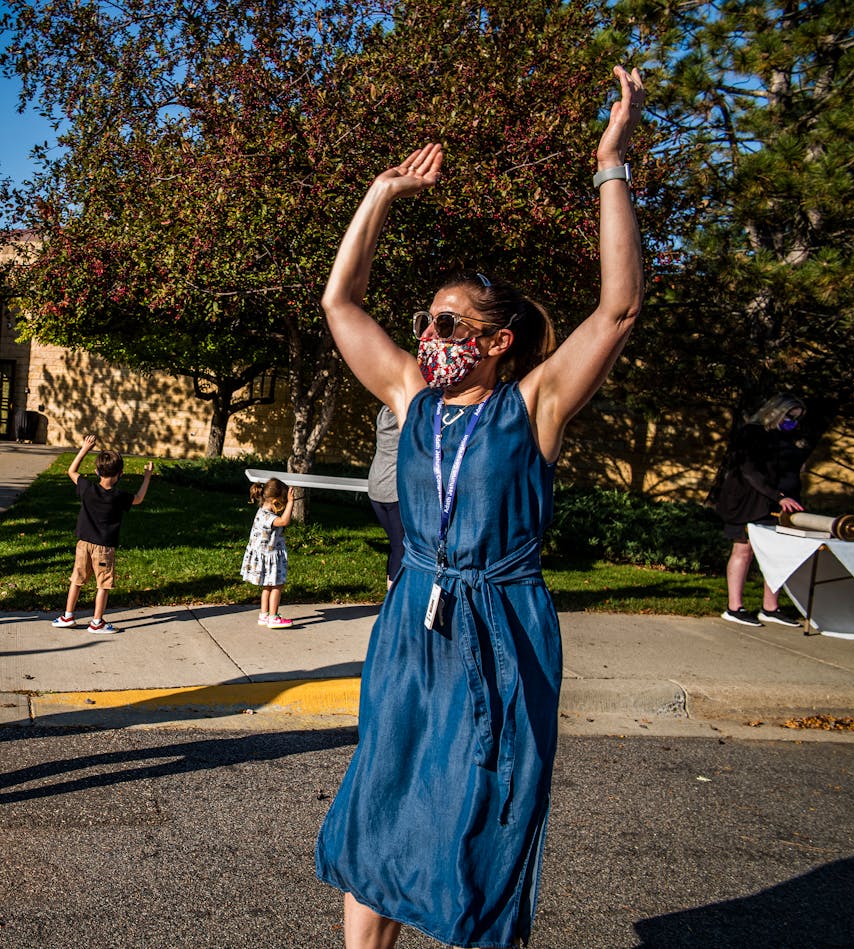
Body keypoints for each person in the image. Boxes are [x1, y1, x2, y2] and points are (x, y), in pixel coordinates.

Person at [314, 67, 646, 949]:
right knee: (382, 794)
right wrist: (380, 193)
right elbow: (339, 301)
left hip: (502, 627)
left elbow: (618, 309)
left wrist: (609, 165)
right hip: (412, 622)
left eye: (452, 325)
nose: (431, 337)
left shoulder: (530, 408)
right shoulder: (409, 397)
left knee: (481, 808)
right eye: (428, 321)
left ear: (498, 343)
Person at [709, 394, 810, 627]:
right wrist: (778, 496)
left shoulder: (786, 438)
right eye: (789, 417)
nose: (792, 422)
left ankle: (770, 607)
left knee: (773, 555)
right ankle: (734, 607)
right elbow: (749, 471)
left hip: (776, 504)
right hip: (747, 502)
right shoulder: (751, 433)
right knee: (744, 550)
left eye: (796, 419)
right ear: (775, 411)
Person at [50, 434, 153, 634]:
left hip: (83, 544)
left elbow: (72, 471)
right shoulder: (119, 496)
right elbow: (139, 498)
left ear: (97, 471)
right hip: (104, 547)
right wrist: (147, 477)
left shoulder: (87, 489)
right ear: (120, 474)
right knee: (103, 584)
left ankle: (67, 616)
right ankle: (97, 622)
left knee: (77, 579)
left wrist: (85, 448)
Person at [241, 477, 299, 629]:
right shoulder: (269, 516)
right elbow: (284, 521)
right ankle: (273, 617)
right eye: (282, 501)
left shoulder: (261, 512)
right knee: (276, 586)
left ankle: (264, 614)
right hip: (270, 557)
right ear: (275, 500)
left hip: (266, 555)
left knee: (267, 586)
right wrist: (291, 502)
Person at [367, 405, 404, 590]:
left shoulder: (383, 415)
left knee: (395, 544)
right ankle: (393, 596)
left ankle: (392, 590)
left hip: (376, 485)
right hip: (393, 489)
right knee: (401, 545)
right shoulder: (404, 419)